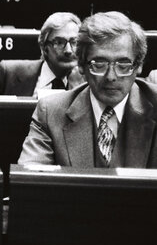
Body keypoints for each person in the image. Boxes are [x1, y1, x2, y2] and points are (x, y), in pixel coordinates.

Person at [18, 11, 157, 168]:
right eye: (99, 64)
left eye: (123, 65)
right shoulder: (50, 112)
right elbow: (30, 183)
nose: (111, 76)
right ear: (82, 67)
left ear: (138, 66)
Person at [0, 12, 85, 96]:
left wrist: (76, 89)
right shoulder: (8, 73)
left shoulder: (89, 81)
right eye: (59, 43)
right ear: (44, 47)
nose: (68, 50)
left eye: (74, 42)